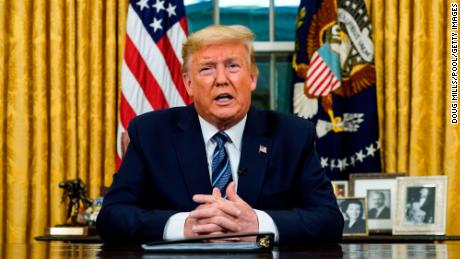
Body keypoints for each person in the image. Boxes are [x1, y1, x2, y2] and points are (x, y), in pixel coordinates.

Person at [96, 25, 343, 245]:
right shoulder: (150, 134)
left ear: (253, 78)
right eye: (207, 69)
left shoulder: (293, 135)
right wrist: (186, 226)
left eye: (233, 66)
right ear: (189, 84)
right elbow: (111, 217)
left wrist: (258, 224)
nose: (221, 80)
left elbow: (329, 220)